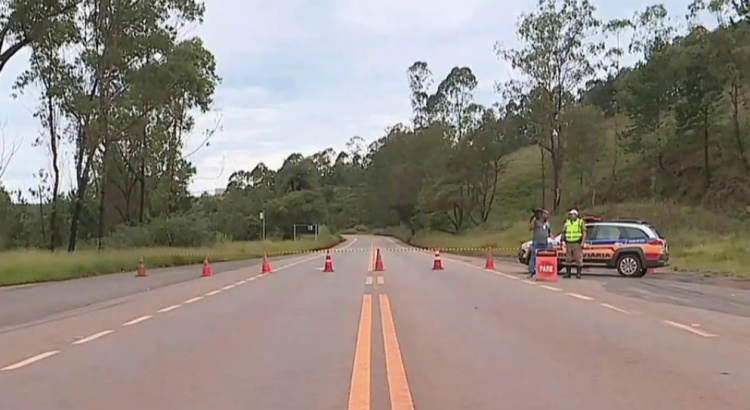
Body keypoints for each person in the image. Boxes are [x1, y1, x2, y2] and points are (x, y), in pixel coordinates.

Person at [560, 208, 586, 279]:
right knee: (568, 259)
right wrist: (561, 240)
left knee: (578, 259)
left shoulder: (580, 222)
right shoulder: (567, 222)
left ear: (576, 215)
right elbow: (563, 232)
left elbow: (584, 232)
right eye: (571, 215)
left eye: (573, 215)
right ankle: (568, 273)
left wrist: (582, 242)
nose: (572, 216)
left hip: (577, 243)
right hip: (568, 243)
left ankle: (578, 274)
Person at [527, 208, 552, 278]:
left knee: (543, 258)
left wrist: (551, 237)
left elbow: (549, 232)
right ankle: (531, 271)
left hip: (545, 242)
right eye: (545, 214)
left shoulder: (547, 223)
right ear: (542, 215)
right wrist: (534, 219)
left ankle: (542, 272)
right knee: (533, 257)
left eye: (548, 214)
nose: (547, 216)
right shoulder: (537, 222)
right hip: (537, 242)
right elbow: (530, 228)